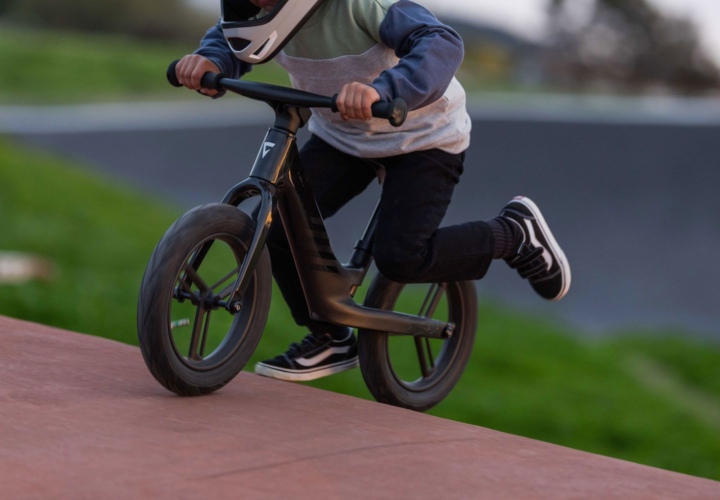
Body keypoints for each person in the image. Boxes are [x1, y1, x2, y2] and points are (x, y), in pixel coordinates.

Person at [176, 0, 571, 382]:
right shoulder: (260, 12)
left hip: (422, 138)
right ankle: (332, 337)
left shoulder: (361, 5)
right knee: (277, 228)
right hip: (343, 138)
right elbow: (236, 40)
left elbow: (440, 40)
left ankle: (514, 234)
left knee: (402, 257)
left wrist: (385, 89)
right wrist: (211, 61)